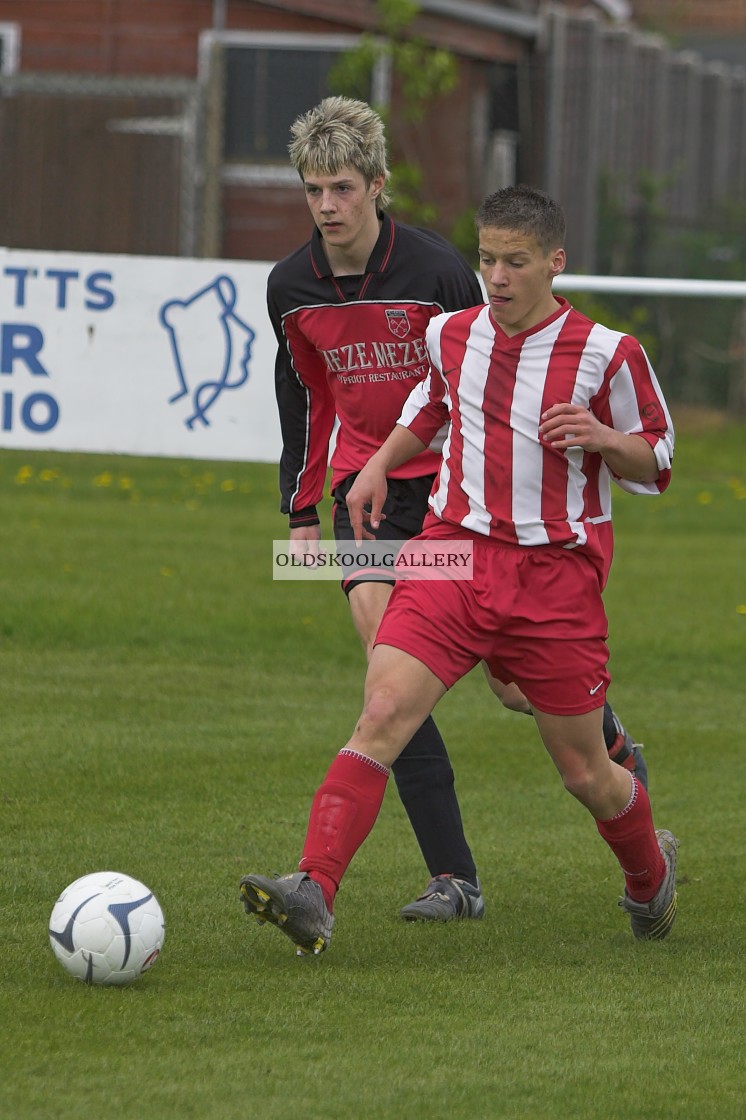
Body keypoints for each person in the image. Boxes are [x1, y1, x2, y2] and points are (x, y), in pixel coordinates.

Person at [261, 95, 650, 926]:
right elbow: (301, 396)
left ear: (375, 187)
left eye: (340, 188)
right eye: (312, 191)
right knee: (388, 690)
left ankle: (607, 741)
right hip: (367, 504)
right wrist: (302, 505)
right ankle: (451, 878)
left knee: (515, 695)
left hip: (456, 504)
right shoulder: (289, 286)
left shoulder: (440, 272)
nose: (326, 205)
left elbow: (470, 386)